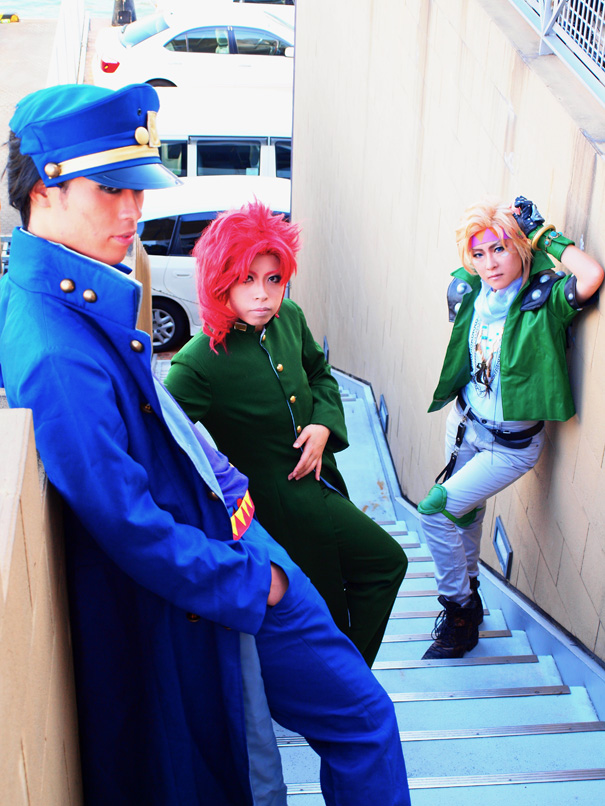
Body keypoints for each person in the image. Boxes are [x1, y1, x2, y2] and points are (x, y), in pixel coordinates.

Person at [0, 83, 411, 806]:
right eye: (109, 190)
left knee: (359, 717)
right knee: (364, 722)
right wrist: (257, 583)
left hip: (243, 540)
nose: (132, 211)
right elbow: (125, 522)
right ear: (43, 189)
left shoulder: (73, 290)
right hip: (231, 569)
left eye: (136, 188)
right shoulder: (55, 347)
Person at [164, 201, 408, 667]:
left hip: (324, 489)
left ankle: (348, 679)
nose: (263, 294)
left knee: (379, 568)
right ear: (220, 280)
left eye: (273, 279)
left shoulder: (289, 317)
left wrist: (322, 425)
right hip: (277, 517)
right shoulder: (198, 361)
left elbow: (320, 375)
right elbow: (162, 440)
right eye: (247, 279)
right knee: (331, 606)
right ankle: (345, 684)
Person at [417, 195, 604, 660]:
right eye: (479, 253)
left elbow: (591, 276)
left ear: (519, 247)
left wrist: (543, 234)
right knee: (464, 513)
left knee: (435, 510)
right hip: (464, 424)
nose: (489, 264)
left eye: (499, 249)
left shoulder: (543, 300)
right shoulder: (470, 292)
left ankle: (460, 611)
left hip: (510, 446)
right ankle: (471, 595)